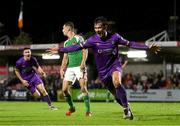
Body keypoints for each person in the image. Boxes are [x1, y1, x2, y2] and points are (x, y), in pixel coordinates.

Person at [46, 16, 160, 119]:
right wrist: (59, 49)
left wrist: (147, 47)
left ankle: (125, 110)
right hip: (102, 71)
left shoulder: (115, 37)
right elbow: (76, 47)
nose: (97, 30)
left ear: (105, 27)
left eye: (100, 27)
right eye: (96, 28)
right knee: (115, 95)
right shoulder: (92, 40)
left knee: (117, 83)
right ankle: (127, 107)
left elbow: (131, 44)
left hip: (114, 65)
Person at [60, 21, 91, 116]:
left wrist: (83, 63)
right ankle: (72, 108)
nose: (62, 30)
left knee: (83, 87)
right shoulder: (66, 43)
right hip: (70, 68)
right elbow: (65, 57)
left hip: (79, 67)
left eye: (63, 28)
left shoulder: (78, 38)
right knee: (64, 90)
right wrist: (62, 68)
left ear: (68, 29)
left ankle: (88, 111)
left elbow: (85, 50)